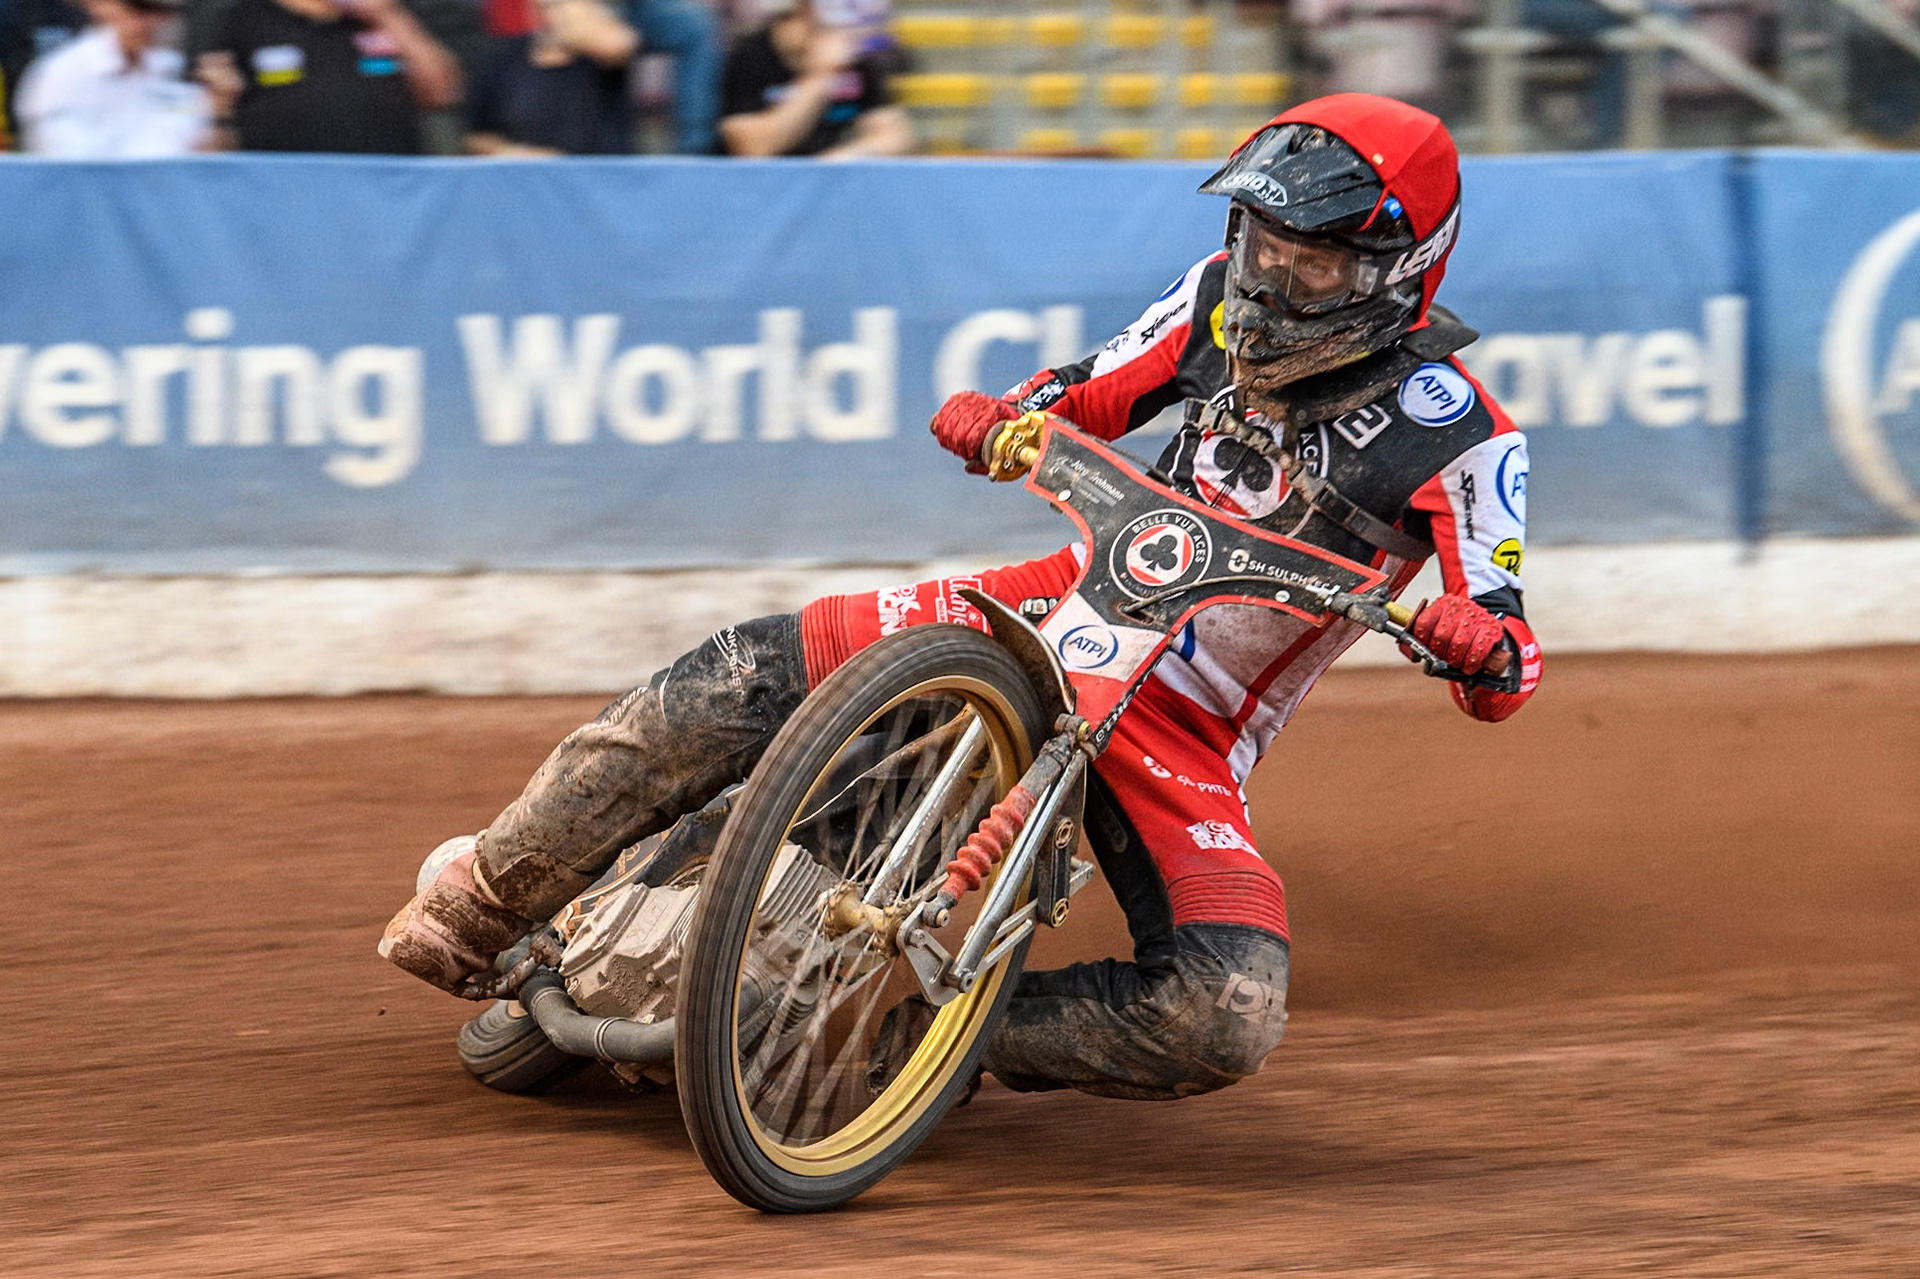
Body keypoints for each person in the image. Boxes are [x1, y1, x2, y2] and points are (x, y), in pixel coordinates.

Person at [381, 93, 1542, 1103]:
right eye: (1262, 239)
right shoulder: (1211, 303)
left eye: (1316, 259)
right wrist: (1005, 411)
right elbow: (1082, 392)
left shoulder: (1470, 442)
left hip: (1186, 725)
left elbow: (1510, 660)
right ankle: (485, 897)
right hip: (1054, 602)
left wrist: (1473, 640)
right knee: (741, 669)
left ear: (1401, 268)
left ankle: (923, 1041)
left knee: (1224, 1011)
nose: (1276, 276)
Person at [194, 0, 460, 153]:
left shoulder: (388, 13)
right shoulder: (241, 16)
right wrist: (218, 107)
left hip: (386, 195)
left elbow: (441, 94)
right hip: (283, 195)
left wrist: (385, 15)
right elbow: (211, 131)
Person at [15, 0, 213, 155]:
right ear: (102, 6)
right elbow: (62, 159)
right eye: (138, 8)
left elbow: (193, 151)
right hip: (89, 202)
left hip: (160, 200)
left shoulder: (172, 69)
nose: (151, 21)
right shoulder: (60, 72)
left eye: (162, 12)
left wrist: (219, 109)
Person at [717, 0, 909, 158]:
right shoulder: (749, 57)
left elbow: (895, 137)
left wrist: (849, 154)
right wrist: (819, 78)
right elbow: (753, 149)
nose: (847, 35)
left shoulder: (855, 61)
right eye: (831, 26)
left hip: (828, 190)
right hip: (762, 191)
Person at [466, 0, 637, 155]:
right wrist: (519, 155)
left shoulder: (601, 59)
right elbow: (476, 137)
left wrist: (581, 26)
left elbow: (620, 45)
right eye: (549, 6)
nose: (554, 12)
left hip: (595, 179)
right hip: (526, 179)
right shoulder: (506, 59)